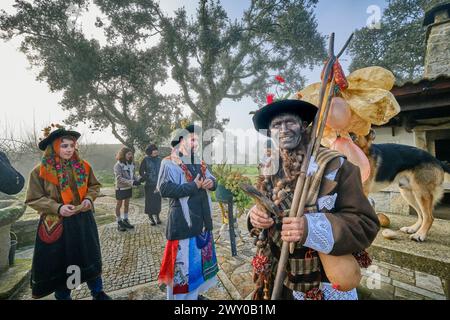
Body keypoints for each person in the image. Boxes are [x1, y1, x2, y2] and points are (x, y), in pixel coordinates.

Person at [248, 99, 380, 300]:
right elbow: (263, 206)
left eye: (290, 122)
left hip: (319, 279)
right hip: (277, 275)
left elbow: (365, 223)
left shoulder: (336, 166)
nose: (283, 129)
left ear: (303, 125)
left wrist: (309, 228)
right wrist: (255, 216)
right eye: (276, 125)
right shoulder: (268, 166)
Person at [25, 125, 111, 300]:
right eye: (64, 146)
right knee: (63, 262)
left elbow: (94, 186)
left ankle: (98, 292)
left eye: (72, 145)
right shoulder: (39, 172)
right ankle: (63, 296)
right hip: (57, 224)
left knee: (88, 256)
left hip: (83, 220)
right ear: (54, 147)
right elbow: (33, 198)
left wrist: (88, 199)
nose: (69, 149)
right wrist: (58, 208)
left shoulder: (83, 166)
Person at [157, 124, 219, 300]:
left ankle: (194, 296)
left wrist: (211, 184)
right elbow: (165, 189)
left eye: (197, 140)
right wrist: (194, 186)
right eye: (193, 140)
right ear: (181, 140)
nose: (196, 144)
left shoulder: (199, 162)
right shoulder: (168, 162)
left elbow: (214, 180)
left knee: (197, 265)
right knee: (182, 267)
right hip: (183, 223)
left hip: (202, 222)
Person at [114, 147, 140, 232]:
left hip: (128, 187)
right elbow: (119, 178)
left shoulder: (131, 164)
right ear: (123, 154)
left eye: (131, 154)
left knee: (127, 205)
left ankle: (125, 220)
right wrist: (132, 182)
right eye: (128, 154)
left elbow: (133, 175)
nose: (130, 155)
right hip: (120, 188)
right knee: (119, 205)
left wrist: (137, 180)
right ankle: (119, 222)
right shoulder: (117, 165)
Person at [139, 144, 162, 226]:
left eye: (156, 149)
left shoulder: (160, 159)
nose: (155, 151)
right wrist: (146, 177)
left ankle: (157, 216)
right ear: (149, 152)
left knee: (157, 201)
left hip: (158, 184)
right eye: (153, 150)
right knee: (150, 201)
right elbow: (141, 171)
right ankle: (150, 217)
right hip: (149, 184)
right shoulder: (145, 160)